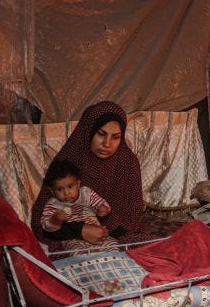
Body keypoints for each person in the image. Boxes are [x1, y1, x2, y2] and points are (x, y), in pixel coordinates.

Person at [31, 100, 145, 248]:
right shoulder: (69, 161)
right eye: (101, 134)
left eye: (116, 137)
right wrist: (79, 230)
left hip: (113, 239)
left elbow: (132, 217)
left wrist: (105, 229)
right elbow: (41, 221)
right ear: (89, 130)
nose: (107, 144)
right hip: (71, 238)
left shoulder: (127, 163)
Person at [39, 159, 114, 243]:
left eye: (70, 186)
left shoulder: (86, 193)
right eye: (59, 189)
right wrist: (55, 219)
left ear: (78, 184)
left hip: (97, 231)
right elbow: (45, 225)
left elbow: (99, 202)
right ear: (52, 191)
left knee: (112, 244)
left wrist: (102, 208)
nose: (66, 193)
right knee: (77, 251)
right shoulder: (53, 204)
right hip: (73, 239)